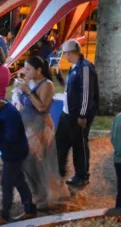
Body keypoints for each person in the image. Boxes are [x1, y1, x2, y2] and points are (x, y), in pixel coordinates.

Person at [13, 56, 71, 209]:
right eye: (25, 68)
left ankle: (48, 195)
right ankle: (37, 193)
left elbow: (42, 107)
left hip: (41, 127)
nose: (25, 72)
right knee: (26, 161)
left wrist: (27, 91)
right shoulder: (30, 82)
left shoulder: (47, 84)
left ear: (38, 70)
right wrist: (19, 92)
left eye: (28, 69)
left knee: (40, 161)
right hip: (28, 126)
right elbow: (24, 105)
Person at [0, 90, 37, 222]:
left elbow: (10, 137)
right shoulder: (3, 109)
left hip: (14, 153)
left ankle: (4, 216)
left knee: (6, 183)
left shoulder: (9, 114)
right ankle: (30, 209)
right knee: (18, 180)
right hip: (12, 152)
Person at [55, 39, 99, 186]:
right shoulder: (75, 67)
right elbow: (72, 89)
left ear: (71, 53)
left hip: (77, 115)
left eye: (65, 53)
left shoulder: (85, 68)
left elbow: (86, 93)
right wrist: (61, 79)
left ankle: (82, 175)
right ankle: (59, 170)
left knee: (79, 144)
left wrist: (82, 115)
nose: (64, 56)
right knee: (61, 142)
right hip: (67, 112)